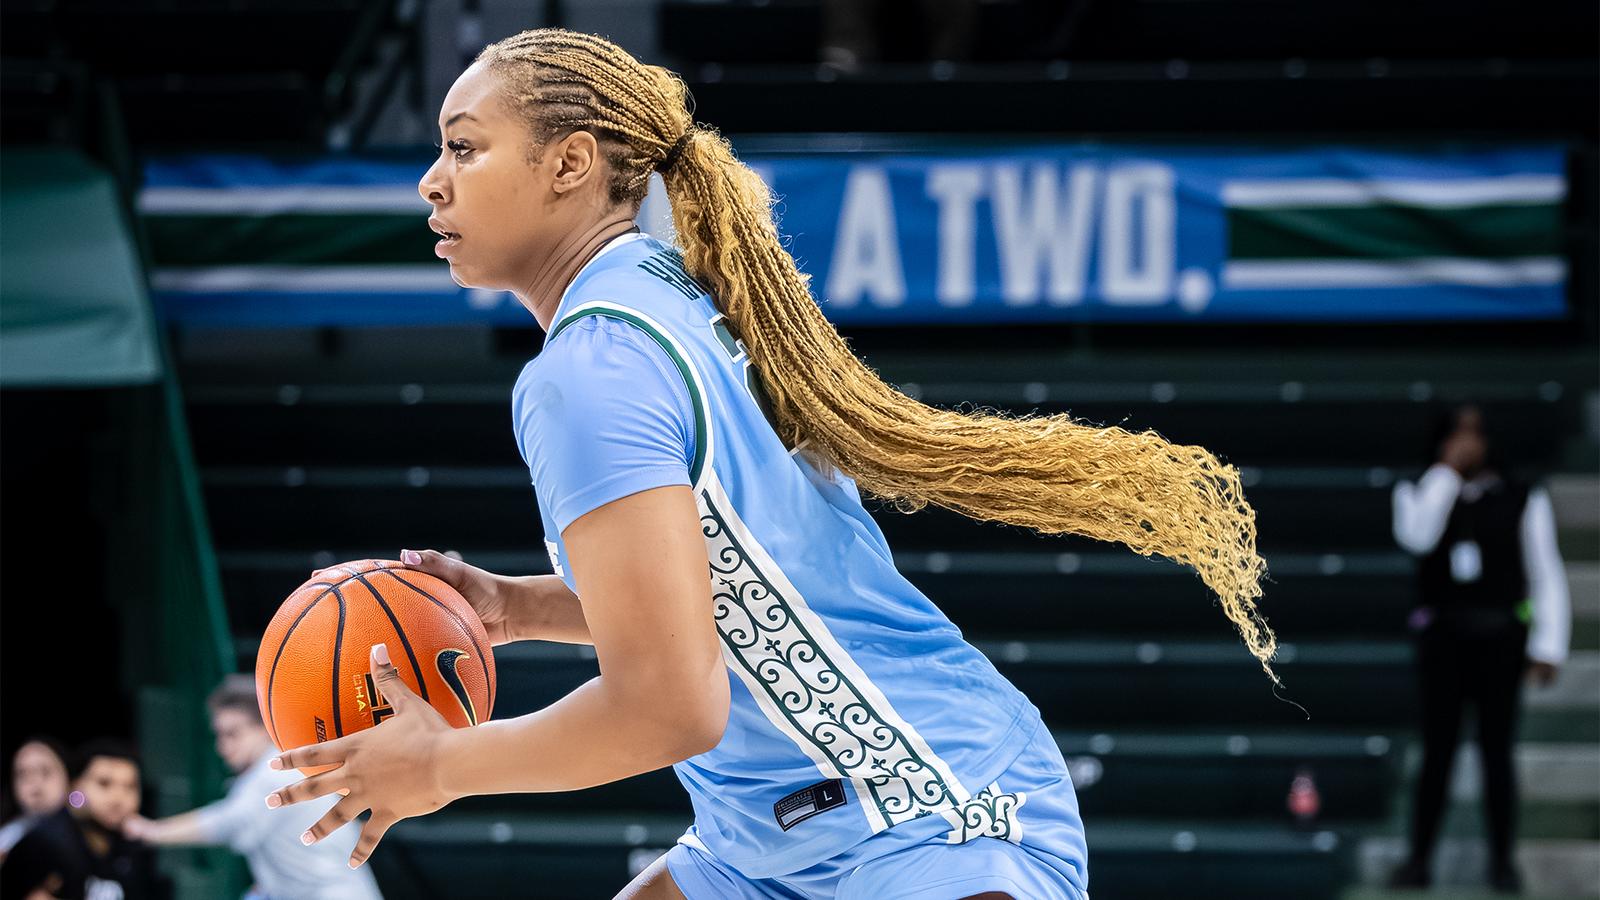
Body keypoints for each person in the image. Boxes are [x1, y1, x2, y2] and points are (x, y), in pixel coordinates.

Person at [267, 28, 1275, 899]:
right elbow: (739, 582)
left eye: (464, 149)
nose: (430, 180)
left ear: (570, 163)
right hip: (772, 842)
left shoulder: (586, 374)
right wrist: (521, 609)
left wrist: (443, 766)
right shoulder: (668, 296)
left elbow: (669, 704)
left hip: (924, 808)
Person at [1388, 403, 1572, 893]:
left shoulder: (1521, 496)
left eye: (1475, 435)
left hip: (1500, 642)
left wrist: (1548, 644)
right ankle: (1418, 859)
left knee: (1497, 754)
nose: (1467, 445)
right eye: (1456, 436)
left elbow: (1545, 573)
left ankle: (1501, 862)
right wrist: (1446, 475)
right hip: (1444, 641)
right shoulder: (1418, 489)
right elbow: (1417, 536)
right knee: (1437, 754)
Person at [121, 675, 382, 900]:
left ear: (265, 729)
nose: (221, 746)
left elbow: (226, 822)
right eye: (219, 735)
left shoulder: (271, 774)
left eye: (233, 734)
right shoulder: (285, 770)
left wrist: (151, 831)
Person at [0, 739, 164, 900]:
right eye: (104, 784)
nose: (118, 798)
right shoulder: (46, 842)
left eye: (130, 786)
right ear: (75, 786)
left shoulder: (132, 847)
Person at [0, 739, 71, 860]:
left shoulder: (87, 832)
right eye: (23, 774)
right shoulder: (8, 834)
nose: (35, 783)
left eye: (45, 771)